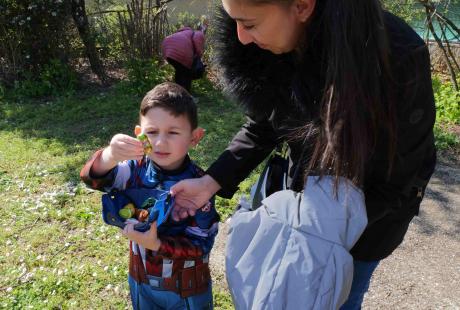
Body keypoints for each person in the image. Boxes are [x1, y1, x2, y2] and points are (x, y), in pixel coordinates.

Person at [170, 0, 437, 309]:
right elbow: (266, 123)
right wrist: (209, 183)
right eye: (235, 22)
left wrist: (321, 226)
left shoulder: (396, 57)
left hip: (367, 224)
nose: (240, 37)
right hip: (304, 204)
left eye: (250, 24)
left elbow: (400, 177)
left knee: (340, 298)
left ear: (302, 6)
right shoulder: (272, 45)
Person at [80, 82, 219, 310]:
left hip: (185, 287)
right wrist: (110, 155)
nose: (160, 142)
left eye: (173, 132)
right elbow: (92, 180)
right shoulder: (133, 169)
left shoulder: (199, 185)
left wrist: (157, 243)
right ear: (139, 134)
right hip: (140, 278)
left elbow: (202, 242)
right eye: (152, 132)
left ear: (194, 137)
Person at [161, 22, 207, 93]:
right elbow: (198, 47)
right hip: (181, 50)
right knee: (187, 73)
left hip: (167, 49)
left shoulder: (182, 33)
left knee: (180, 71)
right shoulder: (198, 33)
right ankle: (186, 95)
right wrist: (199, 56)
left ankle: (177, 93)